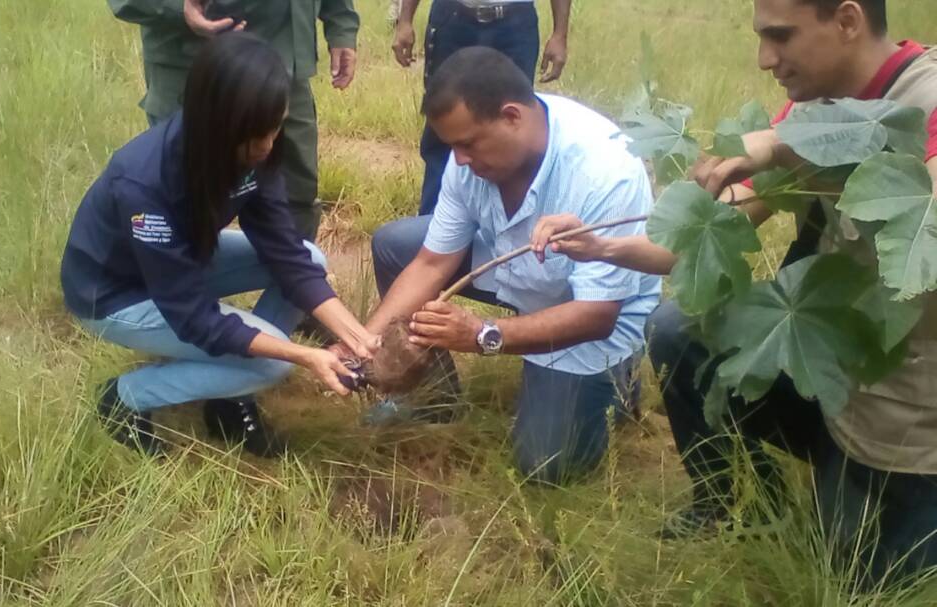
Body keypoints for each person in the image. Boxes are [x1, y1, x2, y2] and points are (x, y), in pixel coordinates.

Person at [532, 0, 937, 585]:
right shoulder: (816, 106)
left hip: (909, 418)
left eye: (780, 36)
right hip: (837, 368)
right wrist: (603, 245)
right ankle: (736, 503)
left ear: (847, 21)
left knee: (858, 584)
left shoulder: (924, 96)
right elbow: (720, 218)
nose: (764, 58)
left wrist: (779, 146)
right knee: (676, 331)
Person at [61, 33, 377, 458]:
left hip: (182, 261)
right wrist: (302, 355)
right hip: (118, 294)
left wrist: (355, 335)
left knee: (312, 258)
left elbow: (285, 252)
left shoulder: (255, 144)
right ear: (215, 124)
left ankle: (231, 395)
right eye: (255, 137)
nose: (267, 147)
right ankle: (125, 398)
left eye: (275, 128)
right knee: (274, 364)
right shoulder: (144, 184)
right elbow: (193, 316)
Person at [361, 47, 661, 485]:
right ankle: (433, 400)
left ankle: (620, 376)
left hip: (593, 312)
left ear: (511, 117)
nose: (459, 161)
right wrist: (365, 343)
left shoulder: (603, 171)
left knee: (545, 465)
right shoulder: (469, 158)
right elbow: (432, 262)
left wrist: (483, 335)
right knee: (397, 245)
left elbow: (597, 314)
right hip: (518, 270)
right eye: (451, 147)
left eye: (467, 144)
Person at [107, 0, 360, 240]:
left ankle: (288, 284)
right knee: (183, 204)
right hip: (196, 67)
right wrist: (177, 6)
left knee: (295, 197)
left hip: (284, 60)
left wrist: (341, 23)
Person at [391, 0, 573, 215]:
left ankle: (506, 231)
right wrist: (404, 21)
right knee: (445, 128)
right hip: (452, 18)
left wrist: (559, 34)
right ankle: (434, 226)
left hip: (515, 24)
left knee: (511, 131)